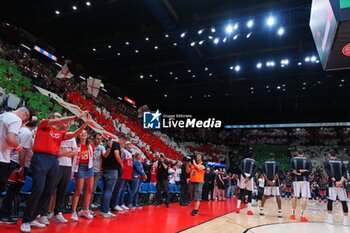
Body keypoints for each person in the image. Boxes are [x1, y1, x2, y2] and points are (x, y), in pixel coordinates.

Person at [20, 111, 89, 233]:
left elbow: (72, 135)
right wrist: (76, 116)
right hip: (40, 157)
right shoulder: (44, 124)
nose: (59, 119)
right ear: (51, 118)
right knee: (39, 189)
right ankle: (25, 221)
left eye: (60, 118)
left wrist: (83, 126)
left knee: (49, 191)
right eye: (57, 117)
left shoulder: (59, 133)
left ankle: (32, 218)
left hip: (53, 160)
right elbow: (58, 122)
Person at [0, 116, 37, 224]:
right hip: (18, 163)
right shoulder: (27, 133)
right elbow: (22, 151)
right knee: (12, 191)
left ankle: (5, 213)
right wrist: (21, 167)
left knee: (9, 190)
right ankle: (4, 215)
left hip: (10, 160)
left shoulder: (20, 130)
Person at [0, 107, 32, 198]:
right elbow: (10, 139)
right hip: (2, 159)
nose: (22, 124)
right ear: (25, 113)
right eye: (24, 121)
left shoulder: (2, 115)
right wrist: (19, 147)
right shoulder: (16, 119)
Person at [50, 123, 79, 223]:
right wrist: (68, 153)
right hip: (57, 164)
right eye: (65, 123)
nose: (67, 125)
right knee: (50, 190)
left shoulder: (71, 136)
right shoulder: (56, 134)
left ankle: (58, 213)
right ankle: (45, 212)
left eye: (69, 124)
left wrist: (63, 153)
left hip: (68, 166)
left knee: (62, 191)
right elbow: (55, 152)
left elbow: (76, 151)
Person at [71, 130, 95, 221]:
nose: (84, 134)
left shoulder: (90, 145)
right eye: (82, 132)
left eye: (85, 133)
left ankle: (85, 210)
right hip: (80, 167)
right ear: (78, 135)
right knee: (79, 190)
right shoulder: (76, 145)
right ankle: (73, 212)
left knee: (89, 190)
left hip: (89, 167)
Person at [100, 135, 123, 217]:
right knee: (109, 191)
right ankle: (105, 211)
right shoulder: (116, 144)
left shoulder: (107, 145)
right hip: (112, 169)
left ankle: (103, 209)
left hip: (105, 169)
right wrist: (121, 164)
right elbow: (117, 155)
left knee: (105, 190)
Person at [324, 151, 349, 225]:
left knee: (330, 201)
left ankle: (330, 219)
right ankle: (345, 221)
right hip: (342, 185)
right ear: (335, 155)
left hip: (332, 185)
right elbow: (345, 172)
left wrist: (335, 181)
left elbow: (328, 173)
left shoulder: (327, 162)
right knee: (344, 202)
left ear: (329, 154)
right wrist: (341, 181)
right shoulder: (341, 162)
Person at [290, 149, 312, 222]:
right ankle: (302, 216)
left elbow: (291, 170)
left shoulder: (293, 159)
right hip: (305, 180)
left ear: (297, 153)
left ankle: (293, 215)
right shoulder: (308, 160)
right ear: (303, 153)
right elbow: (310, 171)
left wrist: (298, 171)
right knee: (304, 197)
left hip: (296, 180)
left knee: (295, 196)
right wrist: (303, 171)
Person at [113, 140, 134, 211]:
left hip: (128, 173)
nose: (131, 145)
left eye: (131, 144)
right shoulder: (123, 151)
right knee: (119, 189)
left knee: (123, 189)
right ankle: (116, 204)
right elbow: (121, 161)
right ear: (126, 145)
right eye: (129, 144)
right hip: (123, 172)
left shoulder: (130, 153)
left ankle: (121, 203)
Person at [90, 133, 106, 209]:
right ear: (93, 138)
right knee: (86, 190)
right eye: (97, 139)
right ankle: (81, 207)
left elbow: (105, 155)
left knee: (92, 190)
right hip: (88, 170)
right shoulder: (89, 145)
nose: (99, 141)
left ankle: (88, 208)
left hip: (97, 171)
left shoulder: (102, 147)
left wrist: (108, 149)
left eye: (100, 139)